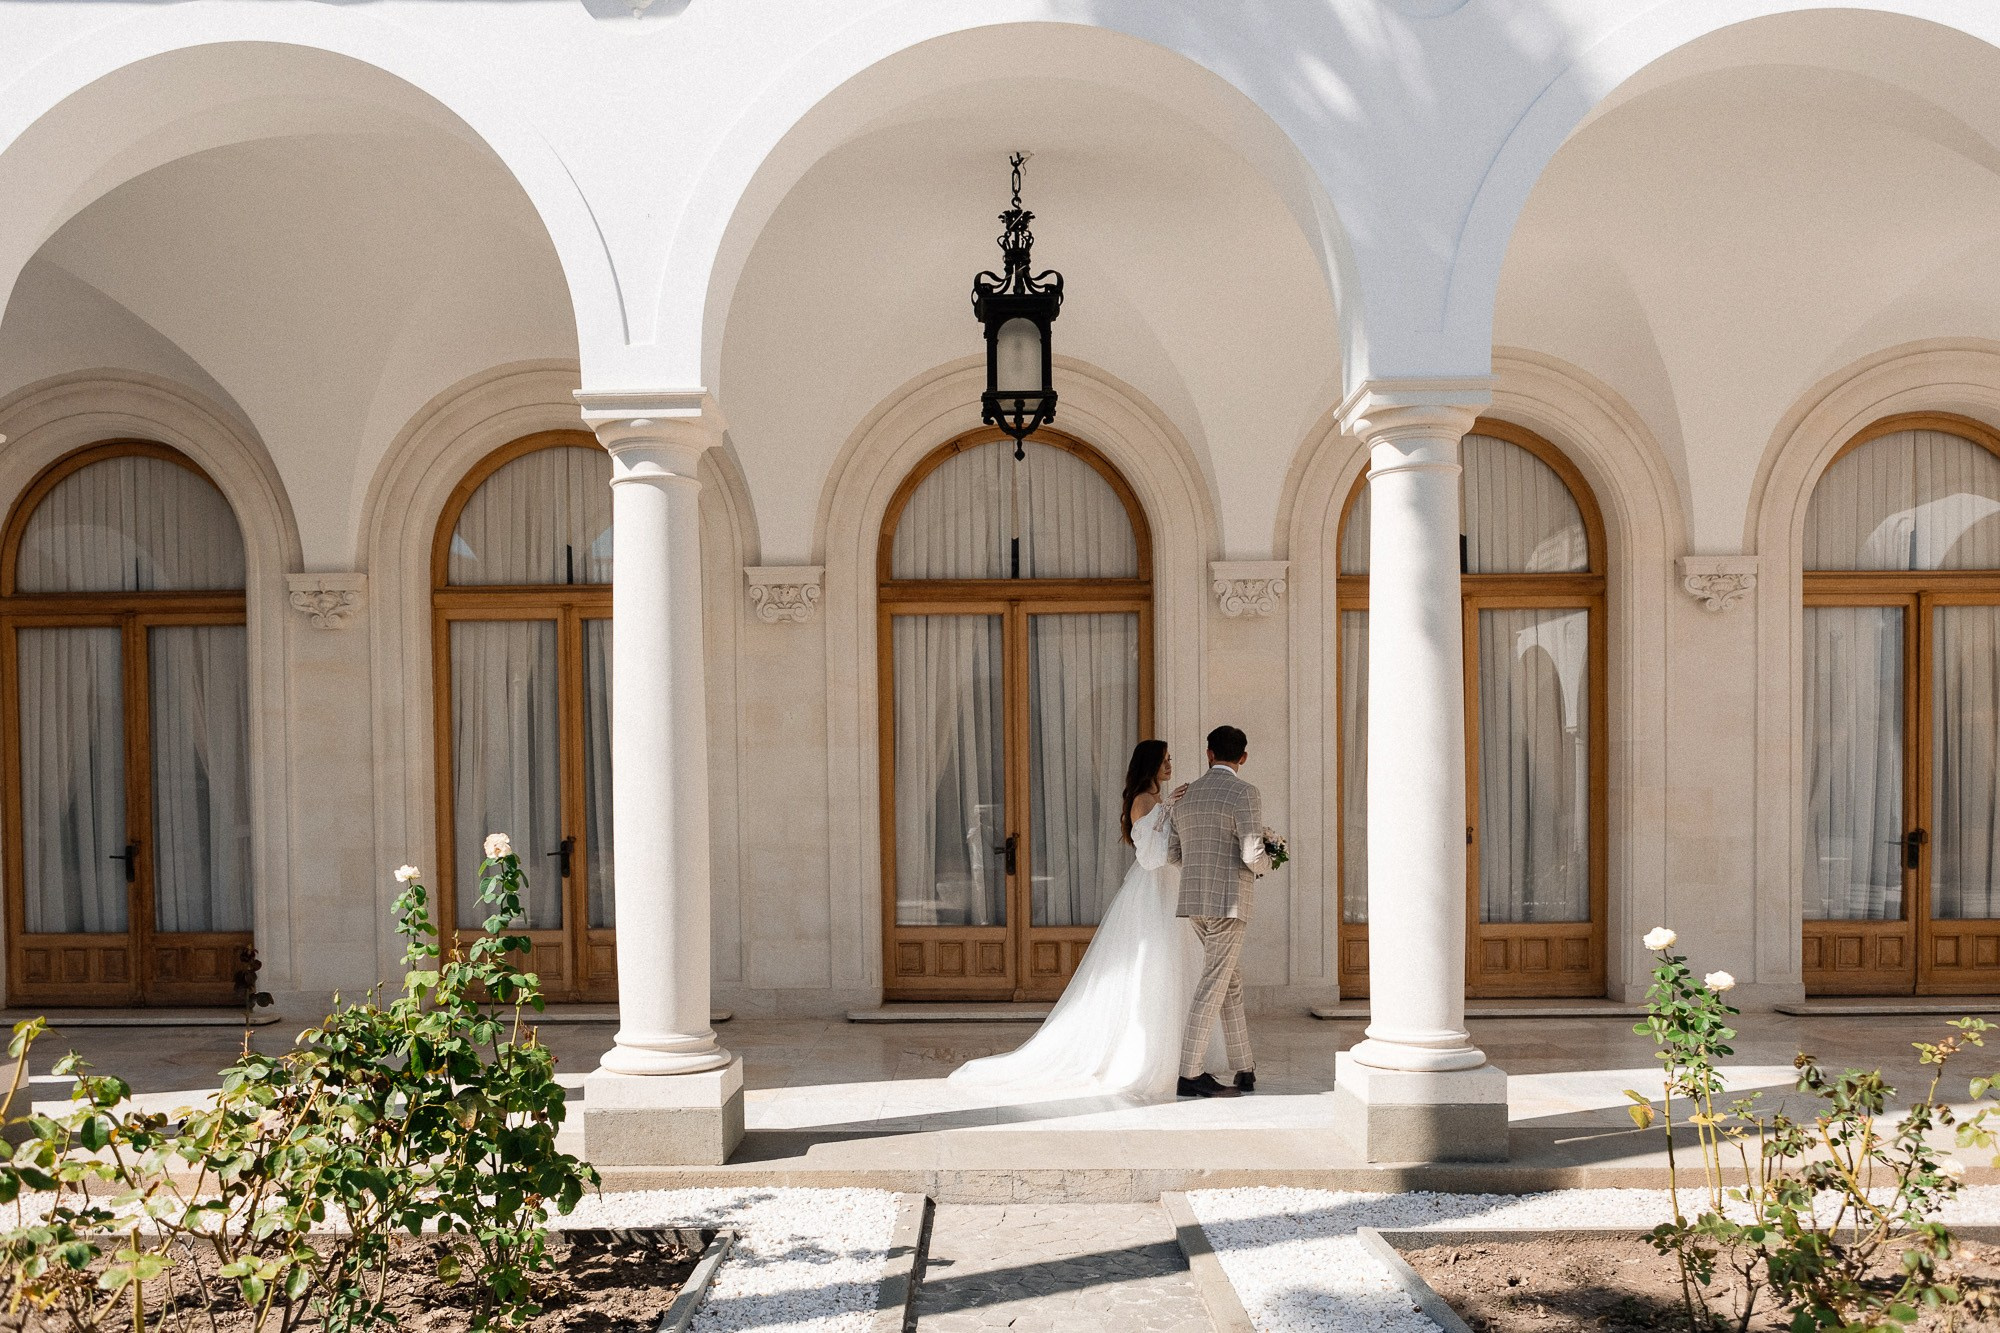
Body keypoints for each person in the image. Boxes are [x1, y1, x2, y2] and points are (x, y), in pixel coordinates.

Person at [946, 740, 1225, 1099]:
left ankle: (1185, 1056)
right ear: (1150, 765)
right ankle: (1148, 1057)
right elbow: (1152, 858)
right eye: (1165, 760)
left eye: (1171, 759)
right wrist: (1169, 810)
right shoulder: (1143, 801)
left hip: (1168, 889)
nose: (1170, 765)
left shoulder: (1157, 802)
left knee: (1178, 967)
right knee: (1153, 969)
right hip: (1153, 891)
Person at [1166, 724, 1269, 1099]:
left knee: (1230, 981)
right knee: (1213, 983)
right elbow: (1252, 854)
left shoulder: (1187, 796)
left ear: (1209, 754)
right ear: (1243, 757)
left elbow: (1174, 854)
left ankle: (1245, 1067)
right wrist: (1268, 863)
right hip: (1229, 903)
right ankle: (1189, 1074)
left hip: (1195, 901)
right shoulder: (1245, 793)